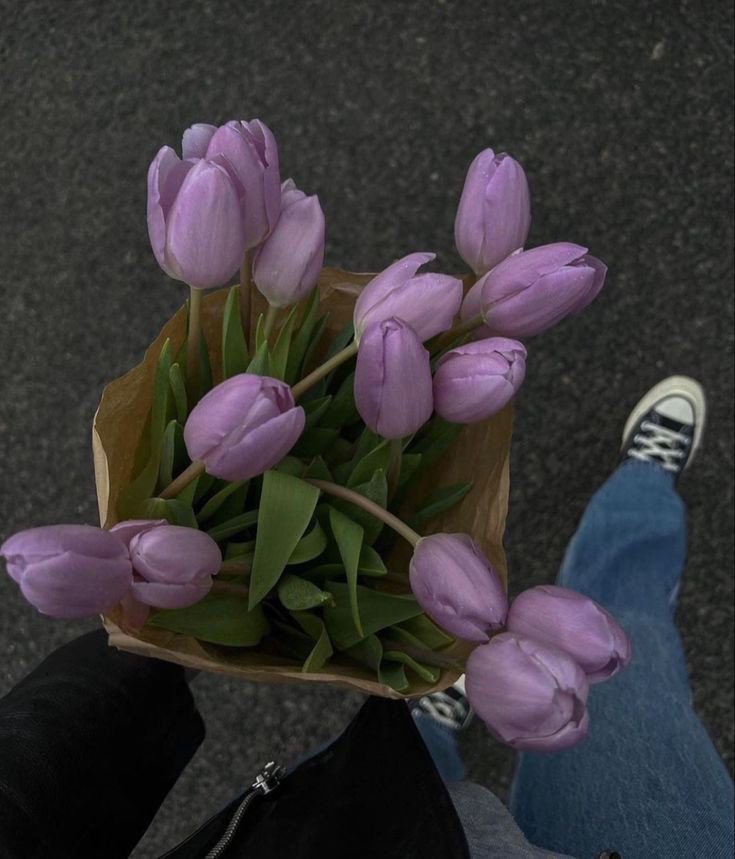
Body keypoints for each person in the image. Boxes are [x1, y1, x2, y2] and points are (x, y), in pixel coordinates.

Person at [0, 377, 732, 859]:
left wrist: (138, 639)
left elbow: (23, 799)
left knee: (399, 753)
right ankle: (636, 496)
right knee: (625, 672)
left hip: (333, 837)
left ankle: (438, 708)